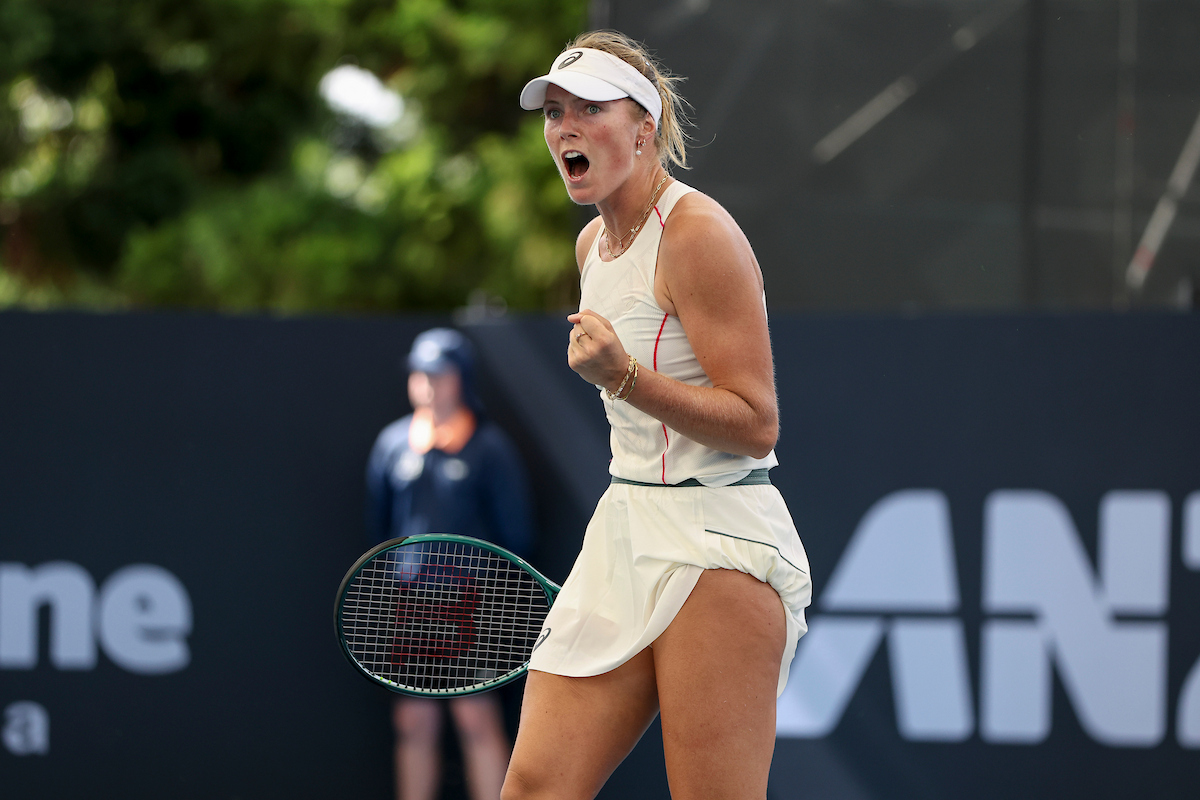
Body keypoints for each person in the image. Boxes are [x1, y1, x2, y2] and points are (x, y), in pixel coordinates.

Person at [502, 31, 813, 800]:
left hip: (718, 544)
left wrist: (626, 378)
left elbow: (757, 422)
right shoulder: (591, 247)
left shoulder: (700, 235)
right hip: (624, 528)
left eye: (589, 109)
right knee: (535, 789)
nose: (564, 127)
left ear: (644, 127)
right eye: (554, 112)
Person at [366, 327, 534, 800]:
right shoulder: (392, 445)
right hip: (410, 602)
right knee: (413, 719)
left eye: (439, 373)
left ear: (462, 378)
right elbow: (378, 528)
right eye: (420, 373)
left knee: (476, 716)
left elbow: (518, 534)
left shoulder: (489, 448)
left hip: (472, 602)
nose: (427, 383)